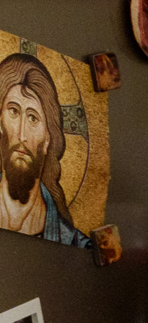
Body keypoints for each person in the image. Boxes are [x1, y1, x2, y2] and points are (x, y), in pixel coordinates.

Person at [0, 53, 84, 247]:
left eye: (33, 118)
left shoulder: (75, 244)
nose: (22, 135)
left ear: (48, 138)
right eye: (13, 111)